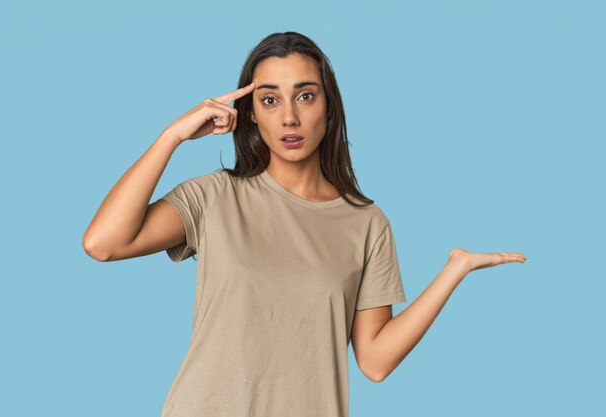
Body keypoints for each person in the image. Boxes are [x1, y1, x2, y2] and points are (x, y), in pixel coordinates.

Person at [82, 31, 527, 417]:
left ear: (328, 107)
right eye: (270, 99)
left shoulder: (366, 223)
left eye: (306, 95)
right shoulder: (215, 196)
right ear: (251, 113)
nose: (289, 116)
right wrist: (172, 136)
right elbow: (103, 243)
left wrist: (455, 270)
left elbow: (375, 362)